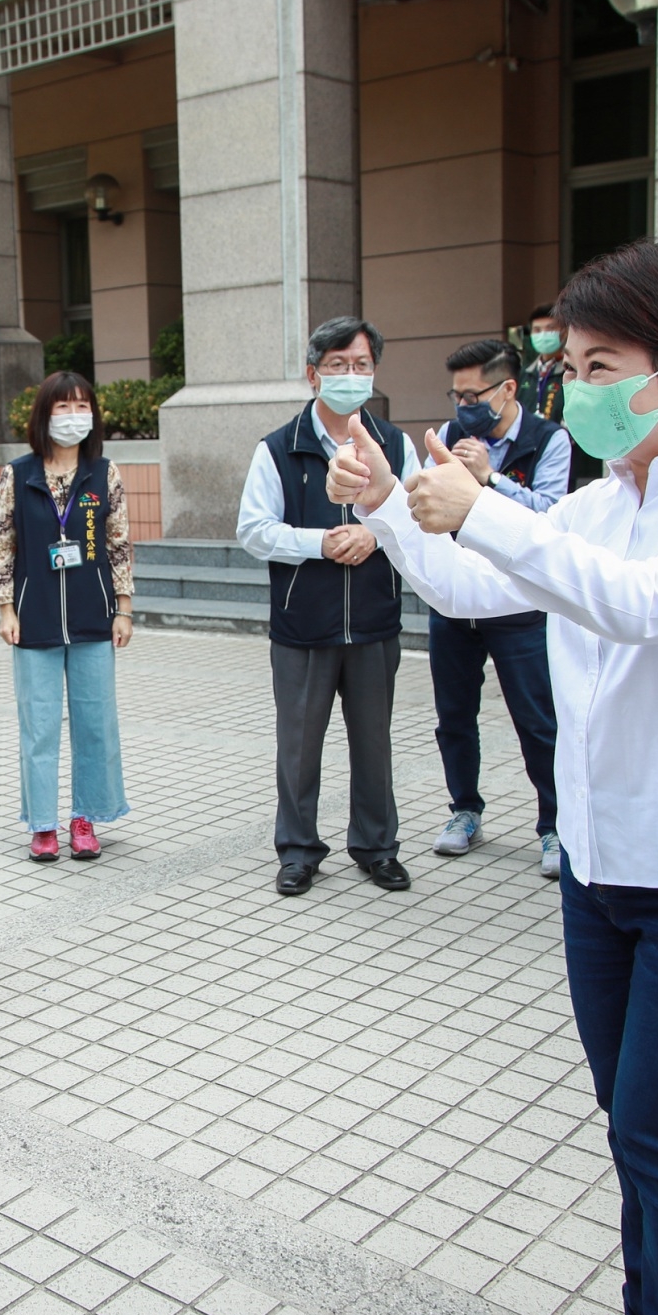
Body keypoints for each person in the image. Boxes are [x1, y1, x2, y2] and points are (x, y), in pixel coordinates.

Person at [330, 239, 658, 1315]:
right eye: (571, 366)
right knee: (631, 1125)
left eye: (601, 368)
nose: (577, 390)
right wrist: (396, 504)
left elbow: (643, 604)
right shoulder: (603, 505)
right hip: (604, 871)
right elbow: (472, 590)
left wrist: (483, 507)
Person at [235, 315, 418, 898]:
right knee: (298, 746)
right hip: (303, 625)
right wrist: (319, 542)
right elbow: (253, 529)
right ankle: (298, 851)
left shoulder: (396, 445)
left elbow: (417, 518)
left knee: (375, 743)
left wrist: (375, 535)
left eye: (361, 365)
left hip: (373, 622)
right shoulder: (278, 448)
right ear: (313, 374)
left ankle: (377, 848)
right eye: (338, 365)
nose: (350, 375)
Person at [421, 339, 567, 877]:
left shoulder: (548, 439)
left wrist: (490, 480)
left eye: (472, 396)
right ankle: (464, 810)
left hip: (519, 605)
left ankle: (555, 826)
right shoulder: (449, 437)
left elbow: (551, 515)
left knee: (537, 719)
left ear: (507, 389)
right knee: (454, 716)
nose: (463, 407)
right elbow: (426, 504)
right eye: (456, 396)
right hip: (457, 602)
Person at [0, 370, 134, 861]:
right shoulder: (17, 475)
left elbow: (118, 545)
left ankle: (85, 817)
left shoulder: (103, 474)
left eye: (82, 407)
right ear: (44, 414)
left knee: (96, 722)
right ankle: (43, 824)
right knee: (40, 726)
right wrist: (6, 608)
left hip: (94, 614)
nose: (74, 416)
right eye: (63, 407)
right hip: (35, 617)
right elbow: (4, 545)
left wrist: (124, 608)